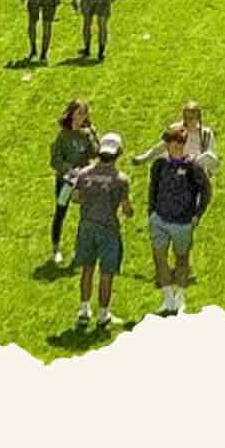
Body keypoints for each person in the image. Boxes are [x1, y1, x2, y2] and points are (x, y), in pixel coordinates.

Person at [144, 123, 212, 316]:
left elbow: (206, 191)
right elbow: (153, 189)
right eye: (171, 142)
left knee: (182, 260)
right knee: (160, 259)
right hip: (160, 220)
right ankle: (168, 299)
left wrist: (198, 214)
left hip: (183, 222)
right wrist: (152, 212)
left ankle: (180, 296)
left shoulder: (192, 167)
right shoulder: (159, 165)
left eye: (179, 142)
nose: (175, 146)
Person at [69, 132, 133, 326]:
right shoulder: (121, 179)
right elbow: (126, 209)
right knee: (107, 273)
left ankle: (84, 310)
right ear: (118, 153)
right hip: (108, 229)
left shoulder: (84, 174)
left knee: (87, 269)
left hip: (86, 226)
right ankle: (103, 315)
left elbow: (74, 198)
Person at [49, 99, 100, 265]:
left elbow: (96, 154)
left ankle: (81, 249)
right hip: (66, 180)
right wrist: (69, 169)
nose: (81, 117)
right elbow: (55, 160)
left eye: (84, 114)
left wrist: (91, 136)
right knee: (60, 212)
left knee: (86, 215)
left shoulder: (87, 133)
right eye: (79, 113)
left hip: (84, 180)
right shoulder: (63, 136)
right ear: (71, 114)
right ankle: (56, 249)